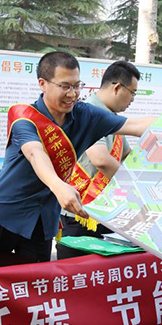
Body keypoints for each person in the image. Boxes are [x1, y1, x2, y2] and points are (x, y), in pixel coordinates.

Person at [0, 51, 162, 263]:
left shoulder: (86, 115)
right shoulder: (24, 116)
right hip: (4, 212)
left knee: (35, 285)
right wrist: (58, 186)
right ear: (43, 84)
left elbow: (134, 125)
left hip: (42, 219)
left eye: (76, 85)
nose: (72, 94)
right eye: (65, 86)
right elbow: (34, 153)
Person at [56, 60, 138, 259]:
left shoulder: (111, 117)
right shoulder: (89, 111)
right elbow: (100, 159)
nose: (133, 99)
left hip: (103, 211)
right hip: (80, 213)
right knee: (78, 272)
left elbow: (127, 155)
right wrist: (135, 188)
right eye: (133, 93)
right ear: (117, 88)